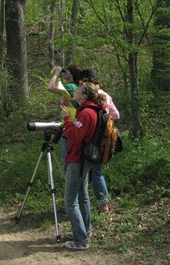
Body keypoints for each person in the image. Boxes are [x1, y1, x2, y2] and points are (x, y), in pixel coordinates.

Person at [60, 81, 107, 250]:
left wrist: (66, 119)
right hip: (85, 159)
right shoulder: (92, 110)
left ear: (84, 95)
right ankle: (85, 232)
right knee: (82, 196)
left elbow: (75, 136)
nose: (75, 90)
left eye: (79, 89)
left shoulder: (87, 113)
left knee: (70, 200)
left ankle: (81, 240)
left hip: (78, 159)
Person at [77, 69, 120, 213]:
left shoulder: (93, 96)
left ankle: (103, 205)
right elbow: (116, 115)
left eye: (82, 81)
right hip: (103, 138)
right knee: (95, 171)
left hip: (93, 138)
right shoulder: (105, 95)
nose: (80, 83)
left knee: (95, 171)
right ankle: (100, 203)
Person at [47, 65, 81, 175]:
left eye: (65, 71)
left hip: (68, 123)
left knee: (67, 159)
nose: (63, 73)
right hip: (75, 123)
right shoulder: (76, 86)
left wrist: (56, 73)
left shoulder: (71, 86)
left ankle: (69, 182)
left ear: (71, 73)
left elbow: (50, 87)